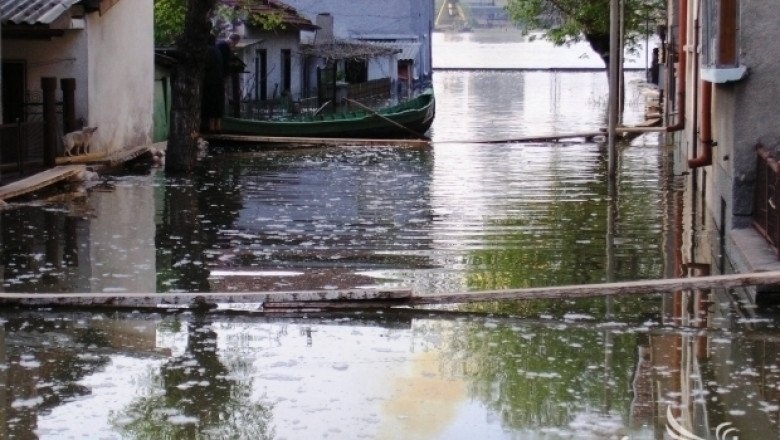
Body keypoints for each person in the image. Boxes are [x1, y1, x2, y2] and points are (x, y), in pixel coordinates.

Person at [202, 33, 241, 132]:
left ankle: (211, 127)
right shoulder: (219, 50)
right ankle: (217, 126)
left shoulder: (211, 49)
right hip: (219, 80)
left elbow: (206, 66)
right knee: (218, 103)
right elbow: (225, 65)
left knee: (210, 103)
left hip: (210, 81)